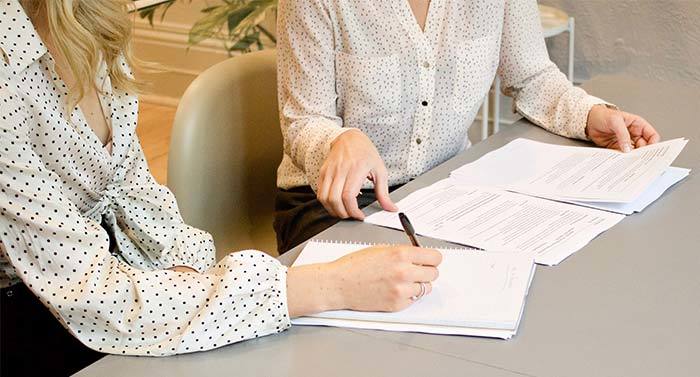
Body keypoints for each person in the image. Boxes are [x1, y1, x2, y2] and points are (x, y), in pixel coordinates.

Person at [0, 1, 442, 375]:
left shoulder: (91, 23)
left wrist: (189, 273)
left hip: (109, 278)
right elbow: (92, 294)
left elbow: (133, 192)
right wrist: (330, 287)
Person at [273, 0, 662, 253]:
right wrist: (339, 141)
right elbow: (304, 120)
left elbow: (531, 76)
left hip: (444, 193)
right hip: (333, 205)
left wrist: (591, 115)